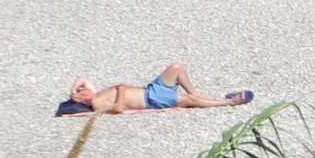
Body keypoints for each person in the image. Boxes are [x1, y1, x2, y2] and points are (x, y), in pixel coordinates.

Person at [65, 64, 254, 114]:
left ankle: (197, 94)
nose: (85, 88)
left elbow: (82, 78)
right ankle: (229, 101)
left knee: (177, 68)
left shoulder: (96, 93)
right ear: (82, 99)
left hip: (151, 89)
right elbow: (119, 109)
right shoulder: (97, 102)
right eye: (82, 91)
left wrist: (73, 89)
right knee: (189, 101)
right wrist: (121, 90)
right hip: (150, 99)